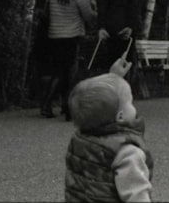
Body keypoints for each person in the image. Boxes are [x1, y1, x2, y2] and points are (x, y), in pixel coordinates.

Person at [65, 57, 153, 202]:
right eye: (130, 102)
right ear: (120, 116)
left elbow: (101, 99)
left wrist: (115, 77)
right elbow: (136, 193)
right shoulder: (126, 151)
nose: (133, 106)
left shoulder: (81, 139)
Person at [40, 0, 98, 120]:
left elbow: (46, 13)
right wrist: (94, 6)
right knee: (66, 72)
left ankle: (61, 105)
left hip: (54, 36)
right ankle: (49, 103)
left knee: (59, 70)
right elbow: (89, 17)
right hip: (71, 37)